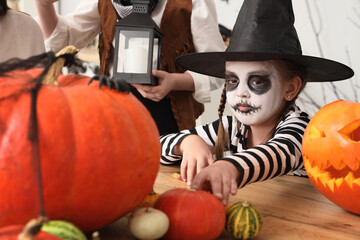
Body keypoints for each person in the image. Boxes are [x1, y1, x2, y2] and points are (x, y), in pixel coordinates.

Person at [160, 0, 354, 205]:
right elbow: (155, 147)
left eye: (258, 81)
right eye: (233, 81)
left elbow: (276, 154)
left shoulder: (303, 131)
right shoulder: (232, 127)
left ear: (290, 89)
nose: (241, 93)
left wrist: (229, 167)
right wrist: (187, 143)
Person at [35, 0, 226, 135]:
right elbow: (62, 41)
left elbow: (215, 67)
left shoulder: (193, 3)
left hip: (170, 118)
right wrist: (44, 5)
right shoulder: (103, 2)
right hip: (113, 112)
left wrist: (173, 81)